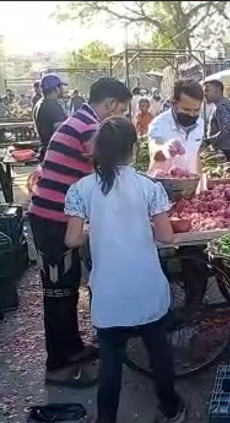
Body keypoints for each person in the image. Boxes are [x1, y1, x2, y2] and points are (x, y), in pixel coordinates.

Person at [64, 117, 186, 423]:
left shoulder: (81, 189)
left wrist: (97, 228)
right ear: (133, 149)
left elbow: (72, 239)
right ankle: (171, 410)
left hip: (109, 292)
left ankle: (106, 419)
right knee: (158, 352)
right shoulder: (149, 187)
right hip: (147, 287)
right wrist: (143, 226)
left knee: (111, 362)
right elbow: (166, 237)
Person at [29, 77, 132, 388]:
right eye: (122, 110)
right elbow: (108, 165)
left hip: (58, 217)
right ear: (111, 104)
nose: (121, 116)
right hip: (52, 220)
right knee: (58, 293)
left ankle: (72, 348)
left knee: (69, 288)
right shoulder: (89, 127)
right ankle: (57, 366)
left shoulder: (81, 119)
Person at [148, 79, 205, 174]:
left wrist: (200, 179)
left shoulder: (200, 123)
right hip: (163, 181)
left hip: (188, 181)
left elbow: (195, 154)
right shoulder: (159, 124)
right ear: (174, 104)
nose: (192, 114)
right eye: (186, 110)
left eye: (196, 110)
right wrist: (165, 149)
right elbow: (155, 151)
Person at [204, 79, 230, 163]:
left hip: (226, 152)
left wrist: (208, 141)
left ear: (217, 90)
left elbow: (226, 131)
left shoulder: (221, 108)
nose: (205, 94)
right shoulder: (229, 104)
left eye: (207, 90)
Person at [33, 74, 68, 161]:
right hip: (55, 153)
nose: (63, 89)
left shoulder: (40, 103)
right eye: (61, 86)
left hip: (46, 151)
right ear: (56, 88)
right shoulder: (52, 106)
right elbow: (61, 131)